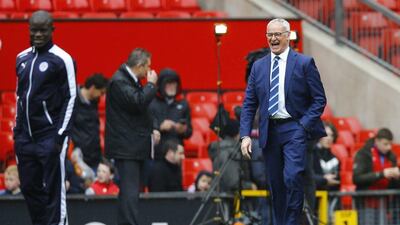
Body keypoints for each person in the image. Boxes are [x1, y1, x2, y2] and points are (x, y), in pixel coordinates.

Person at [240, 18, 327, 225]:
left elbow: (319, 100)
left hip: (294, 128)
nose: (273, 38)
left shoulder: (305, 63)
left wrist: (303, 125)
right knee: (276, 185)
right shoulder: (259, 67)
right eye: (269, 34)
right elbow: (249, 103)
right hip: (270, 131)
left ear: (288, 36)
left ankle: (291, 222)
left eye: (278, 34)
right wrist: (244, 135)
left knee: (292, 177)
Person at [14, 10, 76, 225]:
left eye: (43, 30)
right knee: (29, 188)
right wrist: (17, 132)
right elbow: (19, 97)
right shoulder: (21, 58)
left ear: (52, 30)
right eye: (34, 30)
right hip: (25, 139)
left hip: (49, 137)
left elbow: (71, 97)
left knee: (53, 192)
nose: (38, 34)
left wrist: (59, 137)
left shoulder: (63, 59)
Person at [105, 48, 159, 225]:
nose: (149, 71)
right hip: (126, 147)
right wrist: (151, 85)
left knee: (132, 192)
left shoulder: (129, 80)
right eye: (148, 67)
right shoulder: (120, 81)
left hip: (133, 145)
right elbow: (138, 102)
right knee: (129, 193)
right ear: (139, 65)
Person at [353, 128, 400, 224]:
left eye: (390, 144)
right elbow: (357, 178)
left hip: (385, 204)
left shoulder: (391, 156)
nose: (389, 147)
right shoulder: (364, 154)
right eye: (385, 144)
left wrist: (397, 177)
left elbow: (395, 184)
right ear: (377, 141)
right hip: (366, 203)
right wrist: (382, 174)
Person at [149, 68, 192, 159]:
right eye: (168, 84)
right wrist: (159, 127)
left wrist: (183, 130)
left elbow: (189, 132)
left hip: (176, 153)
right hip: (157, 153)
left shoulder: (183, 104)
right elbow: (144, 129)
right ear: (161, 85)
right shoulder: (152, 103)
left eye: (174, 84)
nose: (172, 87)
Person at [71, 73, 108, 171]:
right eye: (101, 92)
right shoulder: (72, 100)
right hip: (79, 157)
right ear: (93, 88)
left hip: (95, 155)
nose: (102, 96)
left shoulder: (94, 101)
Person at [209, 119, 255, 192]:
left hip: (222, 196)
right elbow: (233, 182)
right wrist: (249, 186)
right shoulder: (231, 152)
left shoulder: (220, 149)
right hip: (229, 198)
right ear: (238, 133)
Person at [313, 122, 340, 191]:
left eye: (331, 135)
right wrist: (324, 180)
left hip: (329, 196)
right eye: (326, 135)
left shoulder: (335, 160)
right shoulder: (311, 154)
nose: (329, 138)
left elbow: (336, 181)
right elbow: (307, 177)